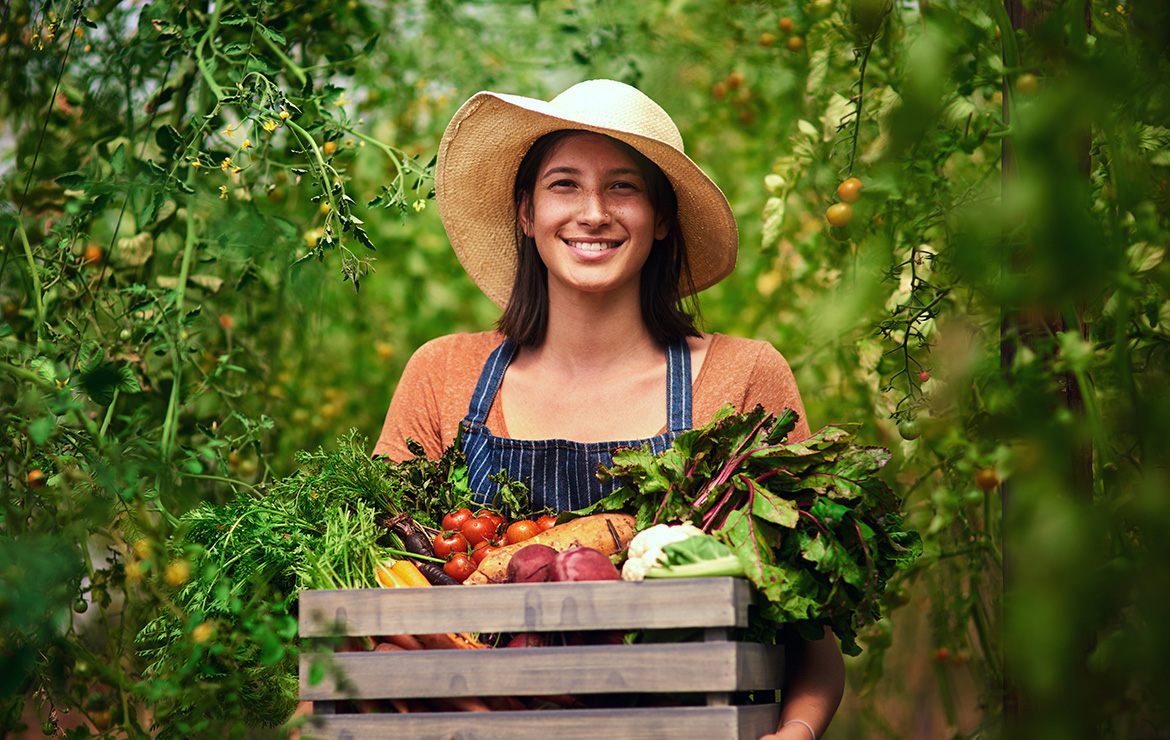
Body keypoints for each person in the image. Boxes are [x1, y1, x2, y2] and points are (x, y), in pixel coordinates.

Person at [373, 79, 844, 740]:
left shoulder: (743, 378)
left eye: (623, 187)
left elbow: (811, 639)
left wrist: (793, 735)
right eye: (564, 184)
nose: (593, 212)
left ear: (661, 219)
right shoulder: (444, 375)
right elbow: (373, 598)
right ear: (525, 212)